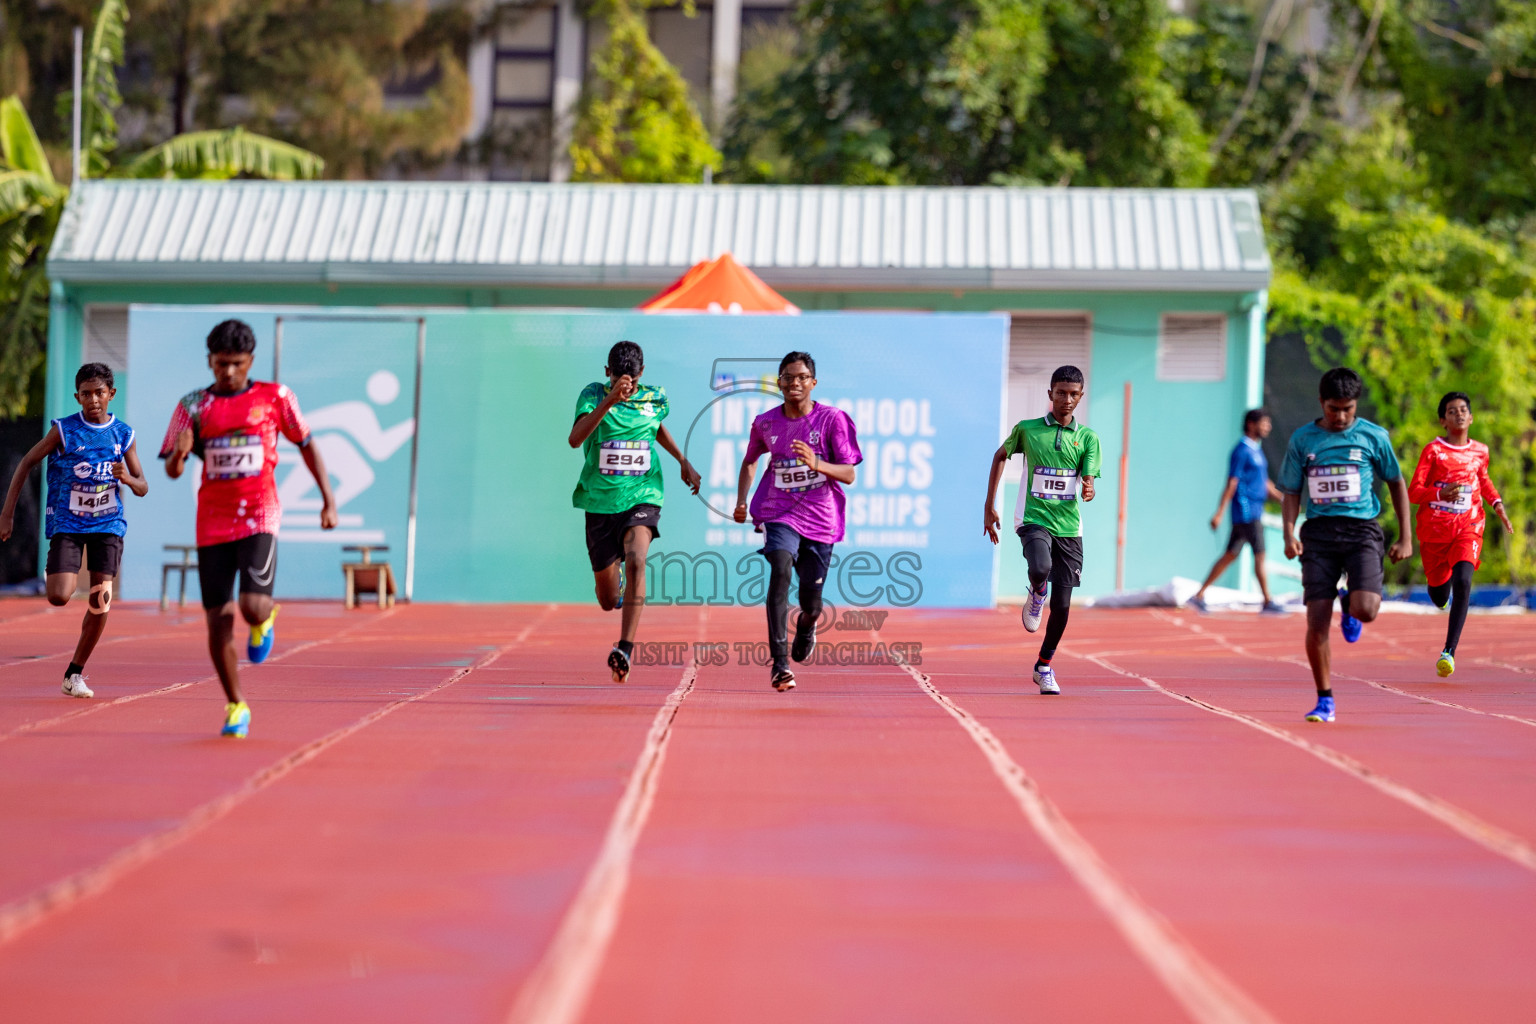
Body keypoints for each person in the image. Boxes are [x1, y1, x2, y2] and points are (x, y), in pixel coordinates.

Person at [161, 320, 337, 738]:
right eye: (220, 364)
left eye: (236, 364)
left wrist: (328, 500)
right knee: (217, 620)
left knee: (251, 607)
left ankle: (265, 617)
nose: (227, 372)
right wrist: (180, 456)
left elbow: (307, 443)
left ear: (250, 361)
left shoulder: (275, 397)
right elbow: (171, 468)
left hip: (259, 512)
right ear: (210, 361)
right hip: (213, 521)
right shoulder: (192, 405)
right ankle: (236, 705)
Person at [0, 364, 147, 698]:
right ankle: (62, 578)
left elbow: (143, 486)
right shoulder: (64, 430)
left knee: (101, 601)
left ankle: (74, 673)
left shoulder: (124, 435)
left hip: (107, 524)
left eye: (99, 393)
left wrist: (128, 478)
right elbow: (25, 463)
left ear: (111, 394)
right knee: (59, 595)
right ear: (77, 397)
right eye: (86, 394)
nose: (93, 400)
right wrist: (6, 514)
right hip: (68, 522)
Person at [1280, 367, 1412, 723]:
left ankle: (1350, 605)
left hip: (1361, 532)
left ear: (1356, 406)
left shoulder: (1373, 437)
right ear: (1321, 403)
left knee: (1367, 609)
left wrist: (1405, 536)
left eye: (1348, 409)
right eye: (1333, 409)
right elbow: (1291, 491)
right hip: (1319, 534)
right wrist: (1288, 533)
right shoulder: (1303, 440)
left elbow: (1396, 483)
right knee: (1316, 621)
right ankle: (1325, 700)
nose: (1340, 417)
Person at [570, 340, 701, 683]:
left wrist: (682, 460)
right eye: (615, 377)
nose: (624, 382)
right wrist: (610, 399)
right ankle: (618, 584)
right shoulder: (593, 394)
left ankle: (625, 648)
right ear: (607, 373)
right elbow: (575, 438)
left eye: (630, 378)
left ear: (641, 374)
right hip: (600, 502)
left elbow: (655, 427)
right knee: (607, 598)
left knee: (638, 558)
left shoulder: (655, 397)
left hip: (643, 494)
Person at [734, 351, 861, 692]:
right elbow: (750, 461)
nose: (794, 383)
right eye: (788, 377)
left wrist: (818, 464)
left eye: (801, 377)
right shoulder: (766, 423)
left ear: (813, 383)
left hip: (821, 520)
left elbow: (848, 473)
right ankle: (780, 664)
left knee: (812, 604)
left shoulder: (832, 420)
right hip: (779, 512)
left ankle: (807, 626)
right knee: (779, 567)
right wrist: (742, 500)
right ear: (779, 382)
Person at [983, 365, 1102, 695]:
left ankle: (1044, 665)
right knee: (1040, 567)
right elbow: (999, 456)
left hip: (1069, 528)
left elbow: (1088, 477)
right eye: (1061, 393)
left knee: (1063, 607)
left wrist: (1089, 488)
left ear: (1081, 397)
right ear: (1050, 394)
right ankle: (1037, 593)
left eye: (1073, 394)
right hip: (1034, 519)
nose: (1067, 399)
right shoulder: (1028, 430)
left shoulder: (1088, 438)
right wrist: (989, 506)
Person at [1407, 391, 1515, 678]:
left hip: (1469, 527)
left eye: (1464, 410)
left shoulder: (1480, 451)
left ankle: (1449, 651)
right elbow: (1414, 492)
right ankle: (1441, 595)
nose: (1459, 414)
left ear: (1472, 417)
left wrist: (1497, 504)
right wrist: (1440, 492)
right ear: (1443, 420)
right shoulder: (1433, 451)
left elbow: (1484, 479)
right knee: (1438, 592)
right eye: (1452, 411)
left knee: (1464, 579)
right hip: (1434, 532)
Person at [1189, 409, 1286, 613]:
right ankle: (1268, 601)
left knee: (1230, 555)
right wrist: (1220, 512)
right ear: (1251, 424)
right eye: (1264, 423)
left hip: (1252, 511)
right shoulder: (1241, 450)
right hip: (1247, 512)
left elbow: (1262, 481)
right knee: (1260, 554)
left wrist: (1282, 498)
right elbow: (1232, 482)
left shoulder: (1256, 450)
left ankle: (1199, 595)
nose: (1268, 427)